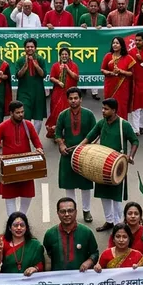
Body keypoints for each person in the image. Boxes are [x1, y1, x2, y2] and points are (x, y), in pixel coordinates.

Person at [78, 99, 138, 231]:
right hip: (101, 166)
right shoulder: (101, 123)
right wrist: (78, 148)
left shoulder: (124, 125)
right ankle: (109, 221)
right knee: (104, 195)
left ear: (114, 110)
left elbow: (135, 141)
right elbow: (89, 136)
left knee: (116, 198)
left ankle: (119, 225)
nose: (103, 111)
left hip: (117, 167)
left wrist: (131, 156)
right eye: (103, 108)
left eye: (106, 109)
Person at [0, 101, 44, 217]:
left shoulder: (28, 125)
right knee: (10, 196)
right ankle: (13, 221)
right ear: (11, 113)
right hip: (9, 166)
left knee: (27, 194)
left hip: (26, 165)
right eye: (18, 112)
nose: (21, 114)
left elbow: (37, 141)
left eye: (22, 112)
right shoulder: (3, 126)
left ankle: (22, 218)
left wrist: (39, 149)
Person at [54, 87, 96, 224]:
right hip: (68, 155)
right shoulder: (63, 115)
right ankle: (71, 212)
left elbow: (95, 134)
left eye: (76, 98)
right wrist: (61, 145)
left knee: (85, 185)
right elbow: (58, 134)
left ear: (81, 99)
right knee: (69, 185)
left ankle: (86, 211)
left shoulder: (89, 115)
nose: (73, 101)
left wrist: (88, 148)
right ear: (68, 100)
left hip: (85, 155)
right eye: (71, 98)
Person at [43, 198, 99, 272]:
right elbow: (49, 253)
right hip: (58, 278)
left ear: (76, 212)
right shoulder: (50, 234)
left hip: (81, 276)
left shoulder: (86, 232)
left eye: (70, 211)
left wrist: (88, 262)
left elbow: (94, 253)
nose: (66, 214)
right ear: (57, 213)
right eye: (62, 211)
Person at [46, 48, 79, 138]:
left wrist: (67, 69)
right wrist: (58, 82)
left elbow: (76, 77)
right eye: (62, 54)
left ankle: (68, 133)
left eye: (66, 54)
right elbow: (51, 77)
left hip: (70, 94)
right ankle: (56, 133)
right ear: (60, 56)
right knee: (56, 112)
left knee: (69, 113)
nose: (64, 56)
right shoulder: (55, 66)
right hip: (58, 92)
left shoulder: (73, 65)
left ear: (69, 55)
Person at [15, 39, 47, 132]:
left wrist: (36, 65)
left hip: (38, 92)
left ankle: (35, 139)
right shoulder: (20, 60)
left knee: (38, 116)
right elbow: (18, 75)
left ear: (35, 48)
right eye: (28, 47)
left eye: (32, 47)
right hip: (24, 92)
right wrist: (25, 66)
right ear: (24, 48)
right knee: (24, 114)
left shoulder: (40, 59)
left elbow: (43, 74)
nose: (30, 49)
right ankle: (25, 138)